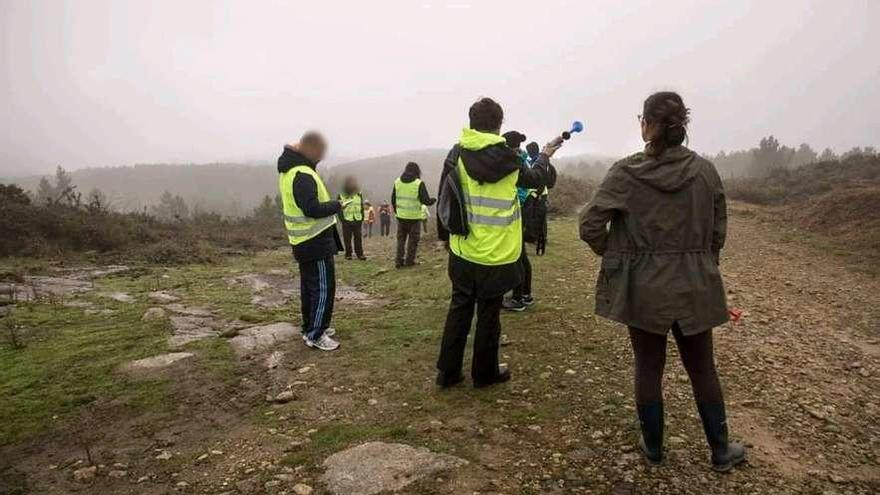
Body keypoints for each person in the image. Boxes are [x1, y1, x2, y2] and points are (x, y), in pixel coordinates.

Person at [579, 91, 745, 472]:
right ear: (681, 126)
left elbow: (589, 225)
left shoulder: (625, 173)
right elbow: (718, 230)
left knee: (648, 366)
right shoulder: (706, 171)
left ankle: (653, 448)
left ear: (648, 125)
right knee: (702, 367)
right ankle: (720, 451)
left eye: (641, 118)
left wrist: (620, 256)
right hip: (695, 283)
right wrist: (702, 264)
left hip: (645, 288)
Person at [436, 97, 560, 388]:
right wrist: (545, 155)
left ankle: (447, 372)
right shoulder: (510, 159)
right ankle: (485, 373)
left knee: (460, 307)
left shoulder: (456, 154)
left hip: (463, 248)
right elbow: (538, 179)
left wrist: (444, 238)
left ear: (472, 123)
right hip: (498, 254)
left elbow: (445, 197)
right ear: (498, 124)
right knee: (489, 314)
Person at [277, 131, 341, 351]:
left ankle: (310, 326)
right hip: (314, 241)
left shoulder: (291, 170)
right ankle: (316, 333)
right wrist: (337, 205)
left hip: (303, 240)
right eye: (320, 151)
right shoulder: (302, 174)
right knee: (323, 287)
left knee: (309, 287)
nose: (322, 155)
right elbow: (312, 208)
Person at [500, 132, 557, 312]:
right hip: (524, 209)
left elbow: (526, 186)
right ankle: (525, 294)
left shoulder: (515, 162)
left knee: (517, 255)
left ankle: (518, 298)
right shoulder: (522, 160)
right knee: (521, 254)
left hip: (519, 211)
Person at [391, 162, 435, 267]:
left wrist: (397, 211)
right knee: (413, 240)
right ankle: (409, 261)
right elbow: (426, 201)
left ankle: (398, 261)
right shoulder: (419, 183)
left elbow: (393, 199)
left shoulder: (397, 182)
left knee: (401, 240)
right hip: (414, 218)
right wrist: (434, 200)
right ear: (417, 171)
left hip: (401, 217)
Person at [337, 176, 366, 260]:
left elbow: (361, 206)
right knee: (347, 239)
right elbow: (339, 209)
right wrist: (343, 220)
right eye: (350, 182)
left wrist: (361, 218)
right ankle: (348, 254)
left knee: (358, 238)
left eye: (353, 182)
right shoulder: (341, 195)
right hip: (347, 220)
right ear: (347, 184)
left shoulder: (359, 194)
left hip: (357, 219)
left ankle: (360, 254)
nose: (352, 184)